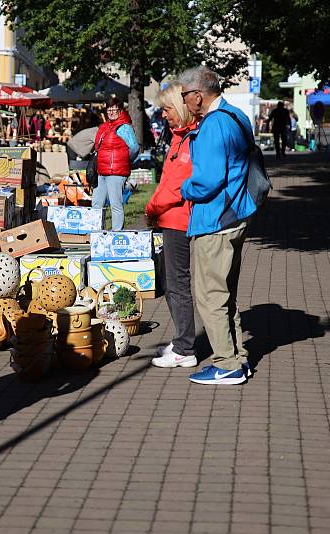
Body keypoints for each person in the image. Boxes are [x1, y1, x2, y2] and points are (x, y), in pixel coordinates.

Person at [178, 66, 257, 386]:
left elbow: (207, 181)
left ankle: (226, 364)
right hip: (236, 215)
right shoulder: (237, 116)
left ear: (198, 95)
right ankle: (237, 358)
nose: (184, 101)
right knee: (225, 294)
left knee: (210, 296)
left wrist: (184, 188)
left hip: (215, 219)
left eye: (184, 95)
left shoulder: (213, 125)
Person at [145, 83, 197, 369]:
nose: (163, 114)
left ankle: (185, 348)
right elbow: (166, 181)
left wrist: (151, 208)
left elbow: (176, 186)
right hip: (170, 218)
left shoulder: (189, 139)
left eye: (166, 109)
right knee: (170, 282)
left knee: (177, 284)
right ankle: (182, 341)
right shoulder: (179, 137)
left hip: (179, 221)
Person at [91, 97, 139, 231]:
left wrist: (125, 160)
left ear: (120, 110)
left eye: (114, 109)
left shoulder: (124, 127)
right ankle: (96, 231)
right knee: (96, 203)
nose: (111, 112)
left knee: (115, 204)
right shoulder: (105, 126)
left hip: (116, 173)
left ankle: (116, 232)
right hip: (101, 171)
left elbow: (134, 148)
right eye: (109, 109)